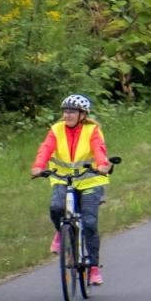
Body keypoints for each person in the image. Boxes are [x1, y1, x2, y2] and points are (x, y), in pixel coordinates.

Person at [33, 94, 113, 286]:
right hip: (62, 179)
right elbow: (46, 149)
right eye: (65, 111)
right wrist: (38, 167)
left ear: (83, 114)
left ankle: (93, 268)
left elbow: (99, 150)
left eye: (72, 111)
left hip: (90, 181)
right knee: (56, 208)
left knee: (90, 223)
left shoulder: (92, 130)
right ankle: (61, 232)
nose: (67, 115)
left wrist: (102, 165)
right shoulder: (56, 129)